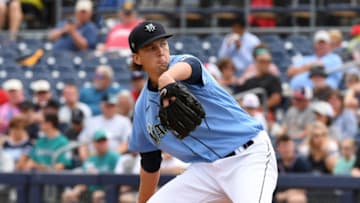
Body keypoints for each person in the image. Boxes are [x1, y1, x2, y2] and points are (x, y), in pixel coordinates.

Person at [128, 21, 277, 203]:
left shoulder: (181, 65)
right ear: (137, 58)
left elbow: (191, 66)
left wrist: (168, 78)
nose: (160, 51)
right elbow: (150, 164)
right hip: (205, 171)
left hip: (247, 157)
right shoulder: (142, 110)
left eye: (163, 44)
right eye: (151, 48)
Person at [62, 130, 119, 203]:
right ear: (94, 143)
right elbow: (83, 174)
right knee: (68, 195)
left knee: (97, 196)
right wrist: (78, 188)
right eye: (99, 141)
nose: (102, 143)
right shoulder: (91, 158)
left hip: (108, 189)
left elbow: (118, 176)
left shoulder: (114, 157)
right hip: (89, 188)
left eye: (104, 141)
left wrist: (98, 172)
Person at [78, 94, 132, 161]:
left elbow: (127, 143)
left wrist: (110, 157)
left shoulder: (124, 121)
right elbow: (82, 143)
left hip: (115, 161)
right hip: (94, 160)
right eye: (108, 106)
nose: (110, 108)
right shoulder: (91, 121)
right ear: (101, 105)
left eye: (112, 105)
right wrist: (86, 160)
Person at [275, 135, 310, 203]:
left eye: (289, 146)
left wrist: (286, 194)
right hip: (277, 196)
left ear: (293, 146)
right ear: (277, 148)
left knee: (297, 199)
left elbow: (306, 187)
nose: (286, 149)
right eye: (283, 146)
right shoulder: (275, 164)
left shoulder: (302, 163)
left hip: (296, 196)